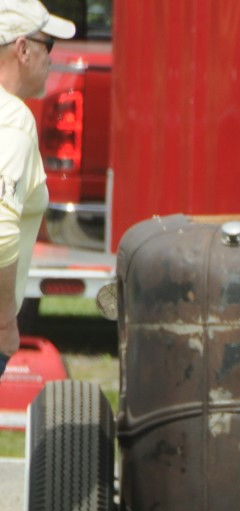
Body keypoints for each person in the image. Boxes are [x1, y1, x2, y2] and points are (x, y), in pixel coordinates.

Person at [0, 0, 73, 378]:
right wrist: (4, 325)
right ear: (23, 49)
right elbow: (0, 233)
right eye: (50, 46)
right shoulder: (12, 120)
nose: (52, 59)